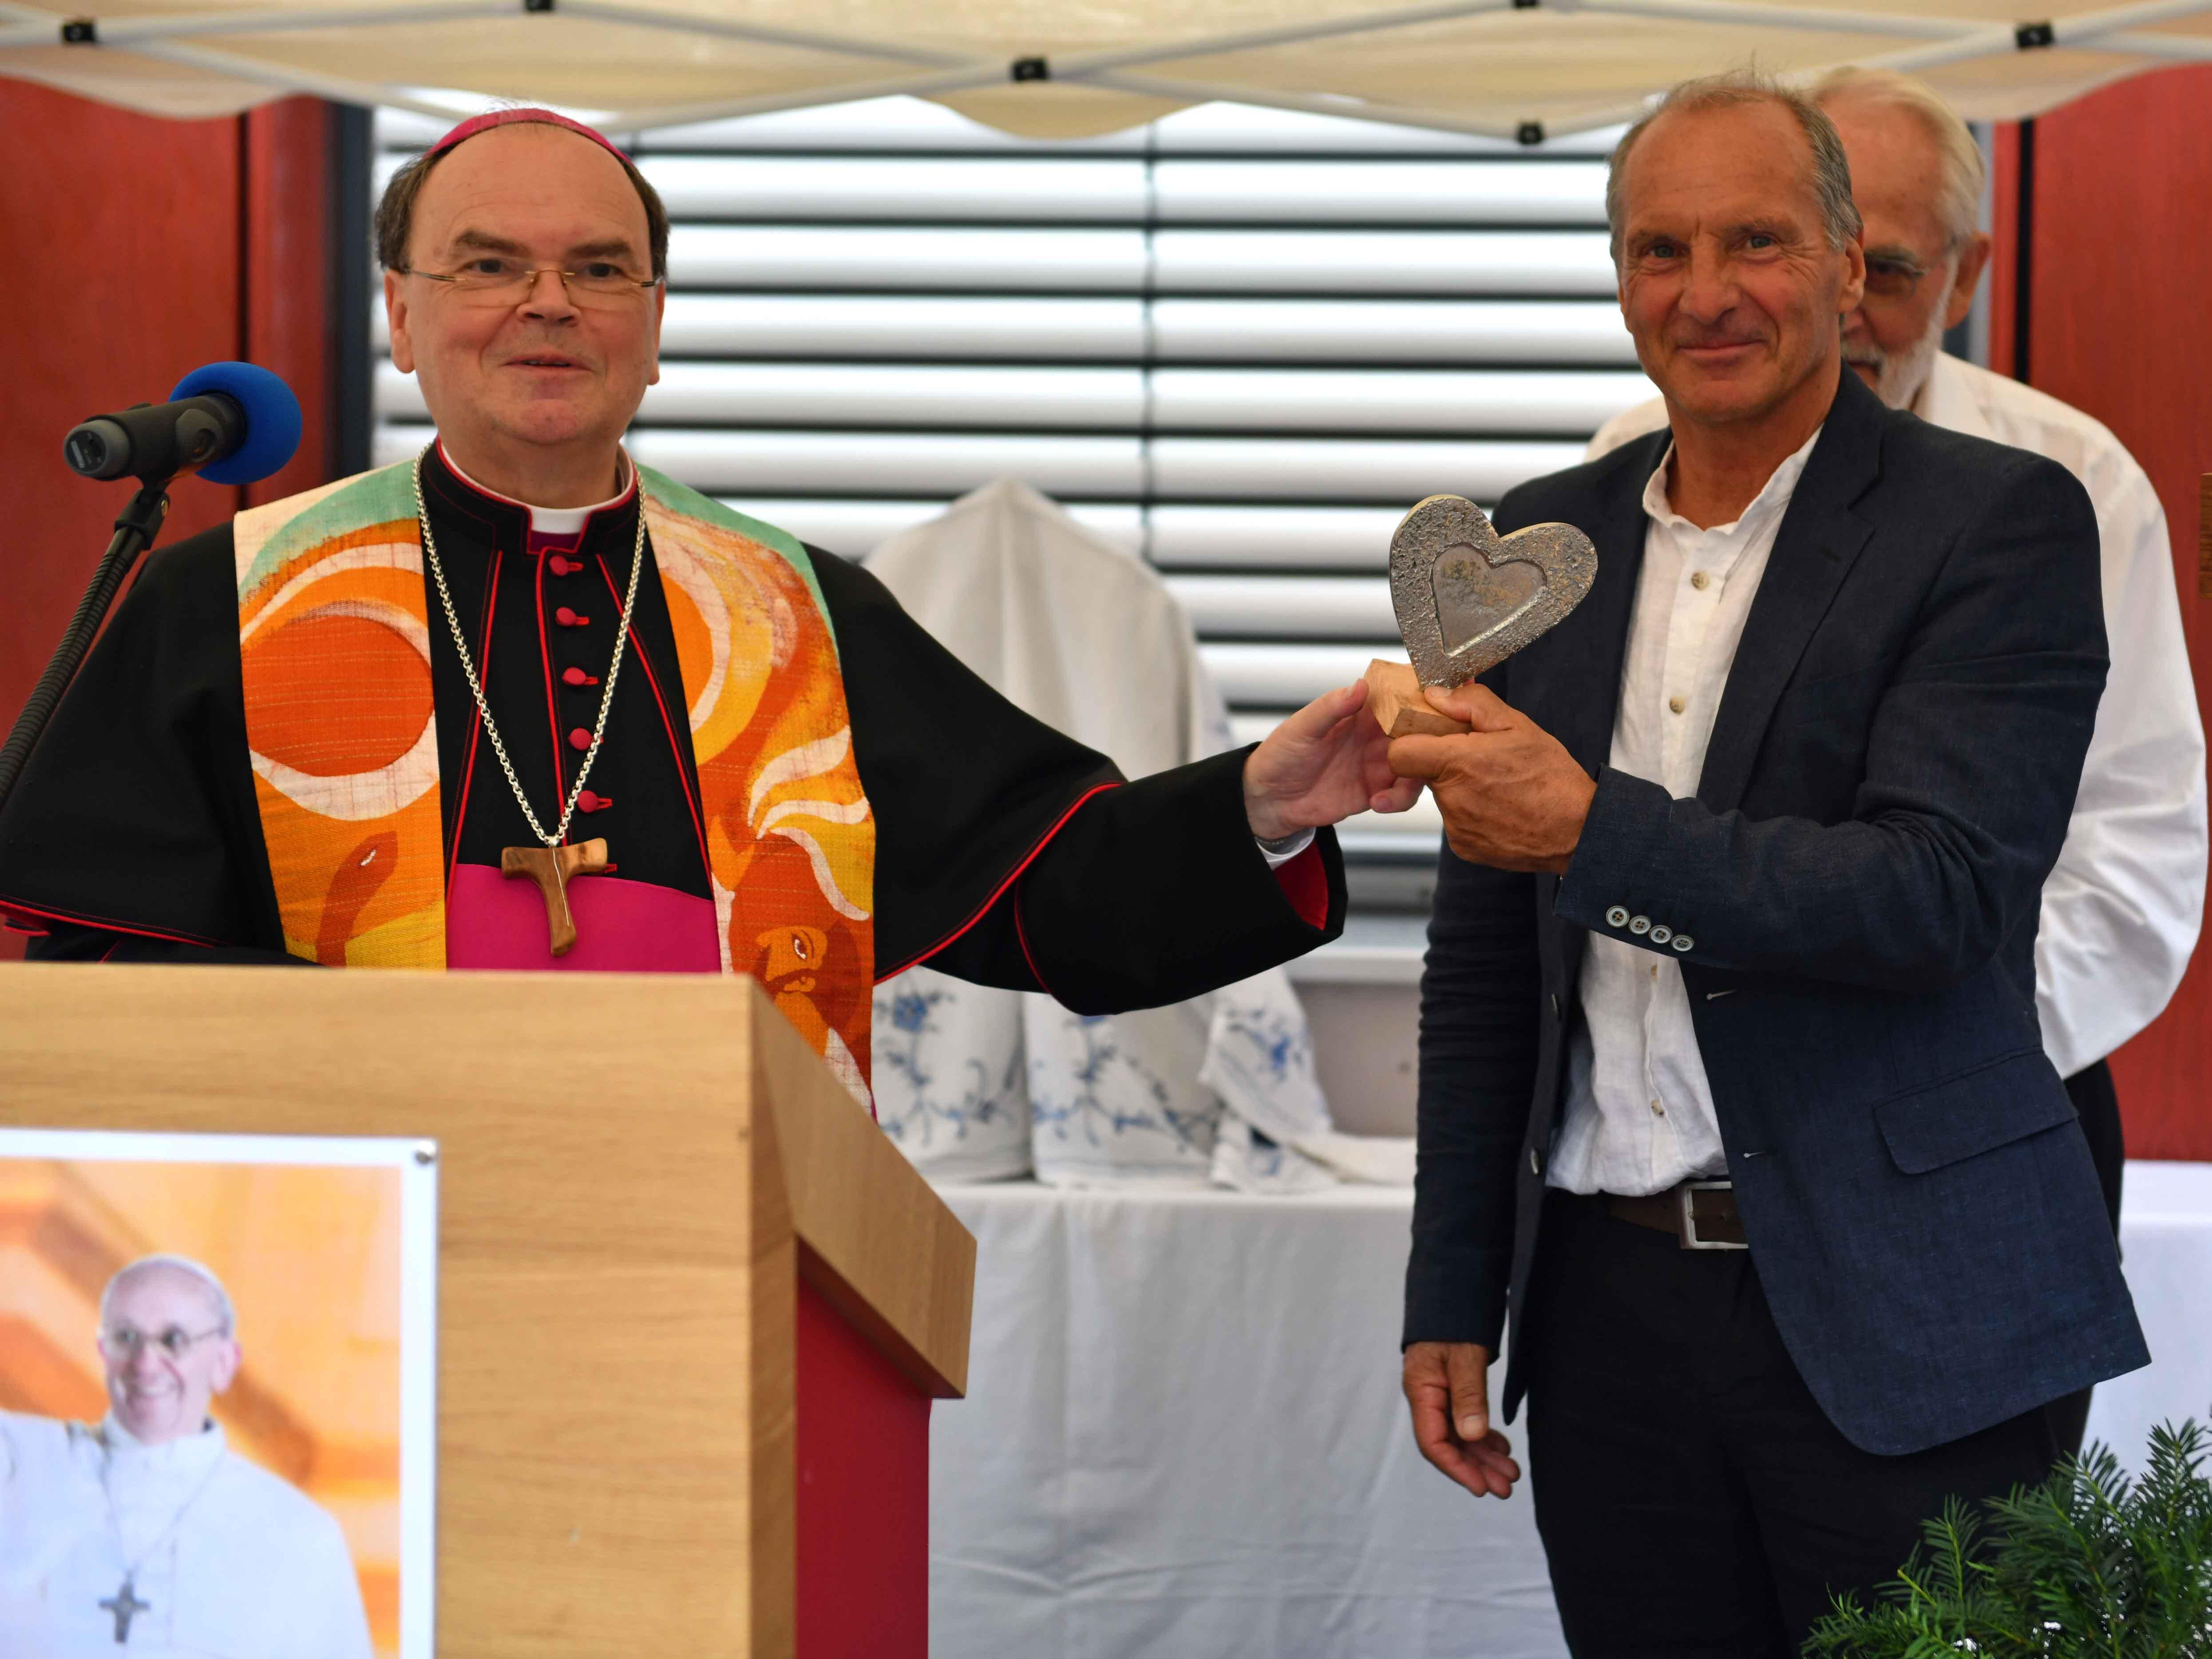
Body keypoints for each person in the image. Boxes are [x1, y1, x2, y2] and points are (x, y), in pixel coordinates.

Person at [0, 108, 1419, 1100]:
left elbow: (1039, 885)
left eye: (598, 269)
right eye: (488, 264)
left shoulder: (792, 610)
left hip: (729, 1234)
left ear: (653, 326)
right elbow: (108, 960)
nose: (548, 303)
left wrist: (1263, 801)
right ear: (400, 315)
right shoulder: (234, 596)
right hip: (349, 1236)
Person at [1390, 71, 2145, 1655]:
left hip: (1906, 1306)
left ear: (1847, 261)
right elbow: (1487, 958)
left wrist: (1591, 829)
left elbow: (1936, 894)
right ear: (1617, 279)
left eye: (1755, 241)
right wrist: (1452, 1285)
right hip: (1603, 1310)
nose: (1705, 292)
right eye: (1658, 249)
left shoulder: (2001, 520)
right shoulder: (1543, 542)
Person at [1585, 70, 2208, 1455]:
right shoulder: (1627, 465)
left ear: (1964, 273)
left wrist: (1899, 1057)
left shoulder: (2066, 480)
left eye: (1889, 269)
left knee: (1955, 1567)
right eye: (1709, 245)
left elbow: (2133, 855)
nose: (1844, 305)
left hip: (1966, 1127)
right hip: (1681, 1150)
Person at [0, 1256, 372, 1658]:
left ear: (224, 1363)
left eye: (174, 1339)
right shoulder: (24, 1469)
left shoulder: (301, 1535)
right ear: (104, 1352)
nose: (145, 1364)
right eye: (126, 1336)